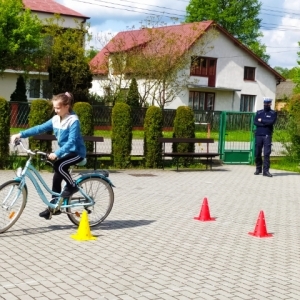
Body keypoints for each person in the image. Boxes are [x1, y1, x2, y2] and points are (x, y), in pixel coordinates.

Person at [10, 92, 86, 219]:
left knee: (59, 165)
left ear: (67, 106)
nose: (55, 111)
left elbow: (71, 142)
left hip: (76, 152)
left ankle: (72, 186)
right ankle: (53, 207)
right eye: (54, 108)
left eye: (58, 108)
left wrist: (57, 153)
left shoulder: (73, 121)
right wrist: (20, 134)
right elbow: (39, 128)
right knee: (57, 175)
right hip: (66, 152)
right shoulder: (56, 119)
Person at [253, 97, 277, 177]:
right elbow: (255, 122)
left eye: (268, 103)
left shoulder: (273, 113)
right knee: (257, 153)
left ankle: (266, 171)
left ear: (270, 104)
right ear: (263, 103)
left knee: (267, 153)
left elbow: (271, 122)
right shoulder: (259, 112)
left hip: (267, 135)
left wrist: (262, 121)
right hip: (259, 134)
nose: (266, 105)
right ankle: (258, 168)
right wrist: (265, 123)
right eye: (265, 103)